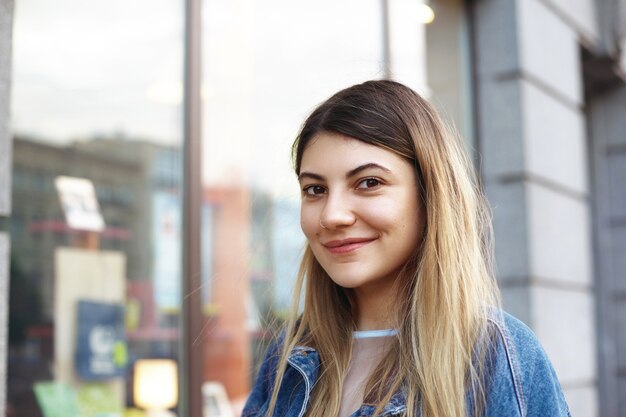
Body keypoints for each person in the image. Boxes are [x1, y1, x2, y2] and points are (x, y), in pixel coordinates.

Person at [242, 80, 571, 417]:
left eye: (369, 183)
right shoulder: (288, 355)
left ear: (430, 195)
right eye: (315, 189)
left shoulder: (499, 356)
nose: (332, 215)